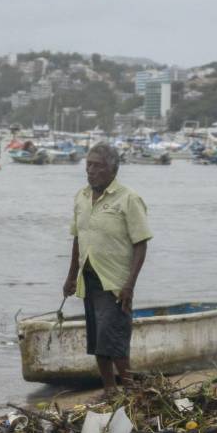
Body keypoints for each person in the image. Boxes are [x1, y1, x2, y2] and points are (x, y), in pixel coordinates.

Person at [62, 142, 152, 399]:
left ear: (112, 169)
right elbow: (78, 238)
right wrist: (71, 276)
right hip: (89, 277)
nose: (90, 171)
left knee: (115, 336)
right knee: (97, 336)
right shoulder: (81, 197)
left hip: (116, 281)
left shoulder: (128, 199)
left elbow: (140, 243)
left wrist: (130, 285)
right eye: (88, 165)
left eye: (97, 166)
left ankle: (130, 389)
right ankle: (110, 390)